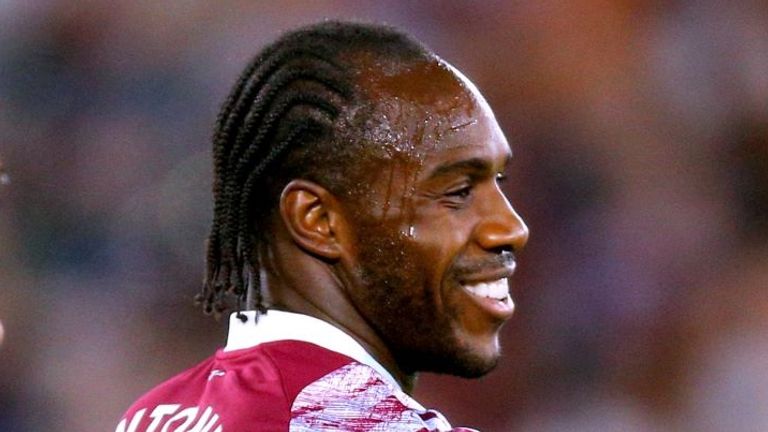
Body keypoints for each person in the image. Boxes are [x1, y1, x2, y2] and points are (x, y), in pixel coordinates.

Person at [116, 21, 528, 432]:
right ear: (319, 221)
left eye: (499, 183)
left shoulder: (153, 414)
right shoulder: (341, 419)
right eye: (458, 191)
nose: (511, 229)